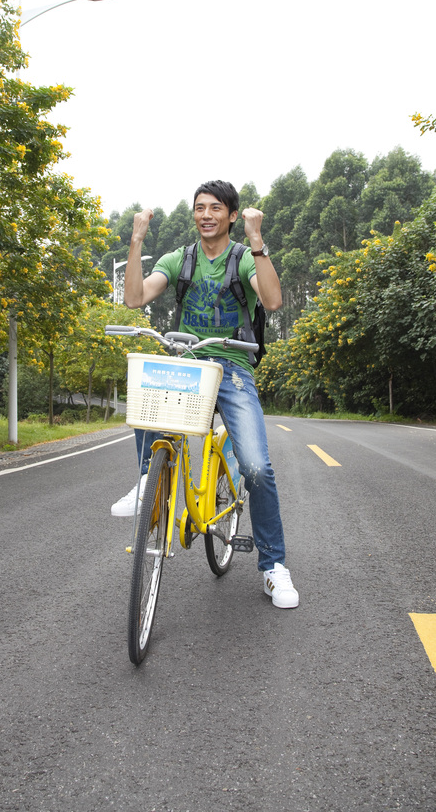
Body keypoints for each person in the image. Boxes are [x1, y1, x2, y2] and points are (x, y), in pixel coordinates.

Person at [111, 180, 299, 609]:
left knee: (256, 466)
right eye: (200, 208)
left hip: (231, 366)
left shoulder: (242, 258)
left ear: (232, 216)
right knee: (149, 388)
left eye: (216, 208)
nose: (206, 215)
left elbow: (271, 301)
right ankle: (147, 478)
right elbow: (135, 298)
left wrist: (257, 241)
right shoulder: (182, 258)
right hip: (188, 363)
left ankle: (273, 567)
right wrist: (137, 241)